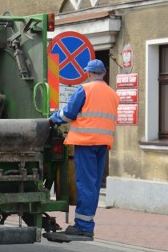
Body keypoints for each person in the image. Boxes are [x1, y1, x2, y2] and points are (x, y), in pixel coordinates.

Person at [49, 59, 120, 237]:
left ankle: (83, 226)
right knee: (94, 185)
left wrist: (52, 119)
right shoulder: (113, 94)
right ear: (103, 73)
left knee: (86, 184)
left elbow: (69, 114)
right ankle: (87, 223)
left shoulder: (85, 89)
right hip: (103, 144)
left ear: (88, 73)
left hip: (86, 143)